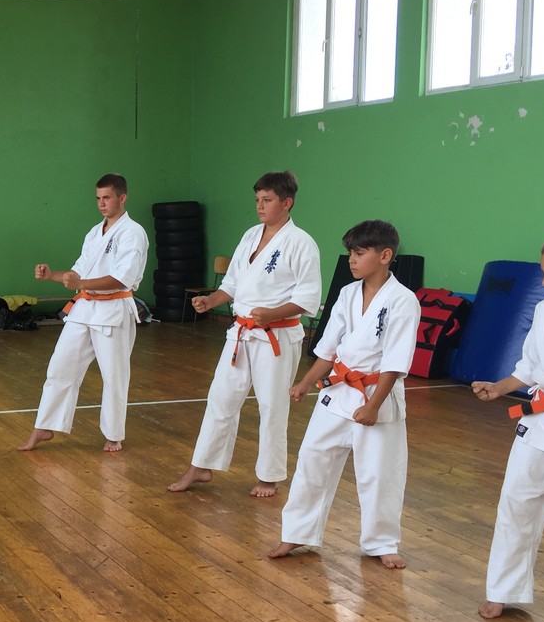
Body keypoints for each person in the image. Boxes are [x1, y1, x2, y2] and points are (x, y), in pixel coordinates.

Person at [267, 220, 418, 568]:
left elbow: (395, 362)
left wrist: (374, 405)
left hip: (376, 395)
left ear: (385, 255)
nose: (351, 259)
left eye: (360, 253)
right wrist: (306, 382)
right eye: (350, 252)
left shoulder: (403, 300)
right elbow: (328, 349)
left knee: (380, 473)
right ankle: (298, 532)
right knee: (312, 459)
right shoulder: (348, 293)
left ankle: (382, 542)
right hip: (337, 392)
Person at [169, 171, 321, 497]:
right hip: (241, 332)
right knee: (220, 397)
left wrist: (273, 314)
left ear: (287, 203)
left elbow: (308, 299)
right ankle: (202, 465)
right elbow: (233, 283)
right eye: (257, 200)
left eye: (267, 200)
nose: (260, 206)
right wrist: (211, 300)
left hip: (277, 337)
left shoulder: (301, 243)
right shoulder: (251, 235)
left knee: (272, 406)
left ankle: (270, 476)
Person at [474, 230, 544, 618]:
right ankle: (503, 590)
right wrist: (499, 387)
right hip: (538, 427)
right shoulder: (543, 311)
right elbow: (530, 368)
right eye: (543, 273)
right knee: (516, 508)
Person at [18, 173, 149, 454]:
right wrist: (52, 275)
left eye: (107, 198)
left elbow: (122, 278)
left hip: (113, 309)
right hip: (85, 308)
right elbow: (78, 272)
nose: (102, 203)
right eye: (98, 198)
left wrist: (82, 283)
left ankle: (113, 435)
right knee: (60, 366)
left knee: (114, 375)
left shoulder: (133, 232)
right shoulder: (94, 232)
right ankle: (45, 425)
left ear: (122, 198)